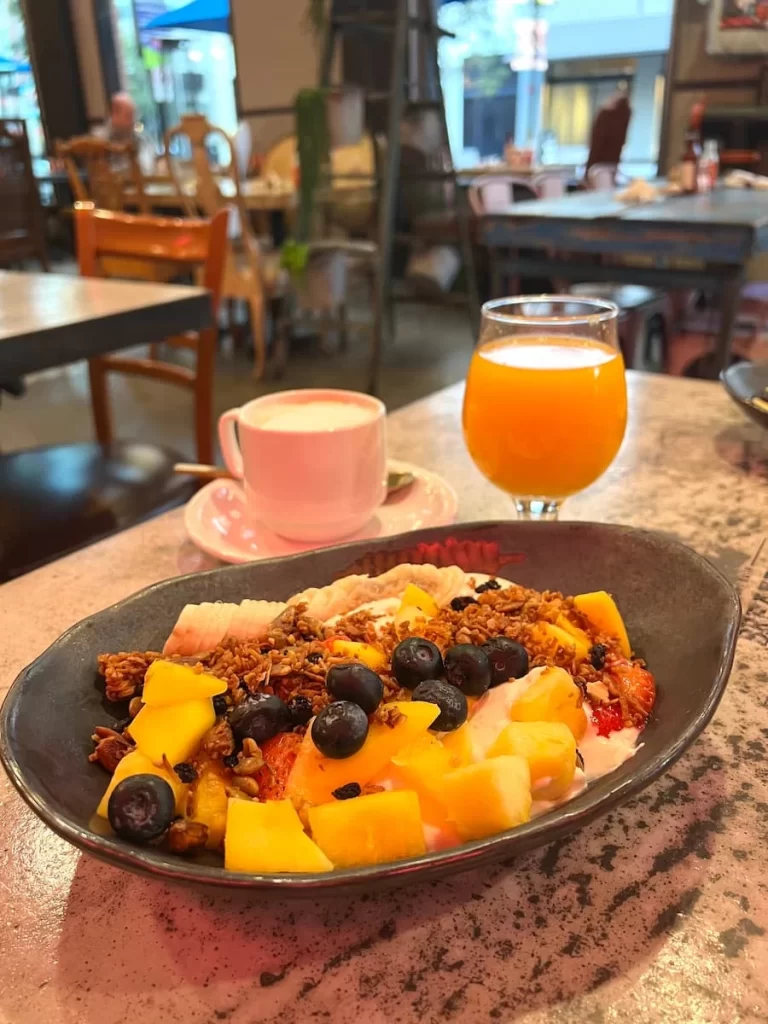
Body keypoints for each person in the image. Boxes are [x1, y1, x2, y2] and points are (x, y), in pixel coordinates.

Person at [94, 93, 154, 174]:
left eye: (134, 116)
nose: (133, 121)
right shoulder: (97, 141)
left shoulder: (137, 137)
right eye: (128, 116)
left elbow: (147, 167)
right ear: (114, 114)